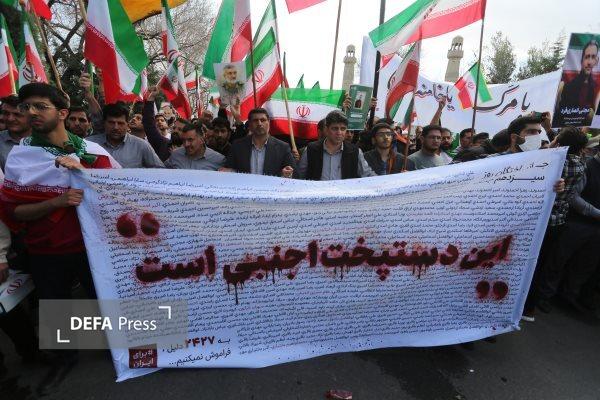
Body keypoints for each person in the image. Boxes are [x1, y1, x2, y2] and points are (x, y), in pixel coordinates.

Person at [296, 110, 376, 180]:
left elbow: (367, 175)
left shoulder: (355, 152)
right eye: (335, 128)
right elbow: (299, 177)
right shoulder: (311, 149)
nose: (339, 133)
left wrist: (382, 182)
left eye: (343, 129)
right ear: (326, 129)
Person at [221, 108, 295, 177]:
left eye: (263, 120)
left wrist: (285, 174)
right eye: (255, 120)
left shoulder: (282, 148)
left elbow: (295, 174)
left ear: (269, 122)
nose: (259, 123)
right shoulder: (237, 146)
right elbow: (228, 170)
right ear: (250, 124)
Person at [87, 103, 165, 168]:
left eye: (120, 123)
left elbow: (160, 171)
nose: (116, 127)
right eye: (111, 123)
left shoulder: (141, 146)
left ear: (127, 124)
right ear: (104, 123)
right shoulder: (88, 144)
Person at [556, 40, 599, 125]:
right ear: (582, 60)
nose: (589, 62)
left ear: (596, 61)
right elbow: (561, 115)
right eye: (587, 57)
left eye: (593, 57)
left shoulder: (596, 88)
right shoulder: (568, 87)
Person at [0, 95, 31, 170]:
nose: (10, 119)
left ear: (31, 116)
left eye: (17, 114)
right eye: (6, 113)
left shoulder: (47, 140)